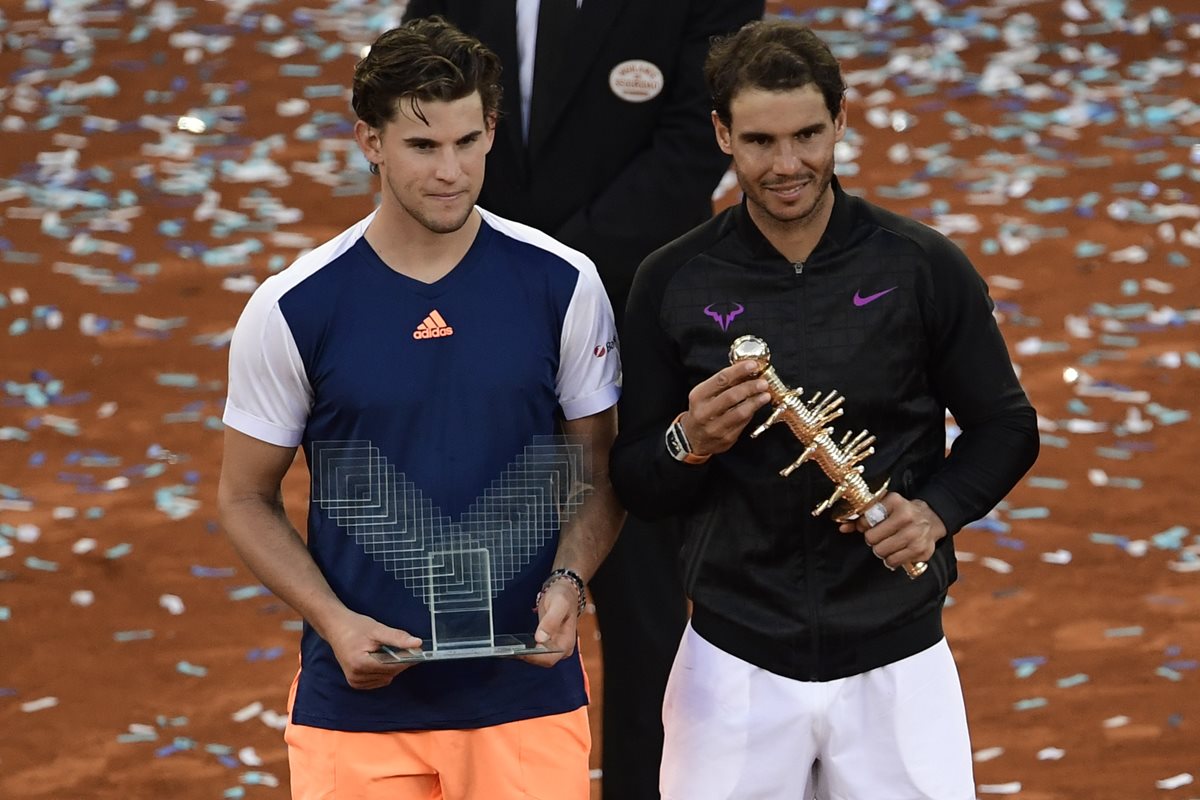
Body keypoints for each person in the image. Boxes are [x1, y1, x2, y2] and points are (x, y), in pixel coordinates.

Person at [609, 19, 1040, 800]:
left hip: (900, 658)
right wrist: (689, 440)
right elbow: (637, 478)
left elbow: (1006, 425)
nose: (787, 165)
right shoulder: (669, 281)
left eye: (808, 134)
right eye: (761, 140)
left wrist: (937, 509)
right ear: (721, 134)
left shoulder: (921, 265)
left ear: (841, 119)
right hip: (733, 661)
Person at [217, 17, 623, 800]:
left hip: (525, 706)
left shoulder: (564, 285)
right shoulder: (293, 307)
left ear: (492, 131)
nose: (452, 171)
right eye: (423, 146)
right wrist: (334, 622)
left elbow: (599, 471)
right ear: (370, 141)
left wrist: (570, 582)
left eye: (469, 142)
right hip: (355, 716)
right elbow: (243, 496)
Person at [397, 4, 765, 797]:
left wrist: (531, 277)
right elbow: (414, 100)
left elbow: (689, 146)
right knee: (470, 601)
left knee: (646, 625)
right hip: (473, 340)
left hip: (637, 339)